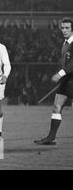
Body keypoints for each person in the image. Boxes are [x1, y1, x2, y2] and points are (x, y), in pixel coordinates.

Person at [34, 17, 73, 145]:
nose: (64, 30)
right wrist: (61, 73)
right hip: (67, 80)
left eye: (67, 28)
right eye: (62, 27)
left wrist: (60, 73)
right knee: (56, 107)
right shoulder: (65, 43)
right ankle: (51, 138)